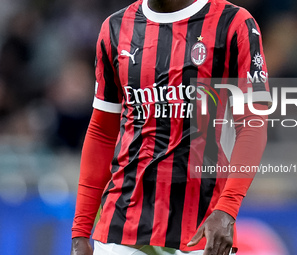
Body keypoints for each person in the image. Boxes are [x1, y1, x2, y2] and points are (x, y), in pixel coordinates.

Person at [71, 0, 271, 254]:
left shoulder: (233, 23)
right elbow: (102, 131)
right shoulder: (115, 27)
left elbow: (253, 124)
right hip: (121, 226)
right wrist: (80, 231)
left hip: (202, 228)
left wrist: (226, 209)